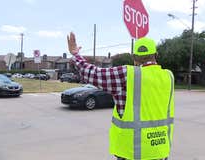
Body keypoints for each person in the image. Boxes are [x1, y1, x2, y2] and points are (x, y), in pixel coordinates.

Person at [67, 32, 174, 160]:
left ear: (134, 57)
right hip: (160, 151)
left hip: (132, 152)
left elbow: (91, 73)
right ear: (156, 55)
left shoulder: (128, 74)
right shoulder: (168, 76)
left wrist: (75, 54)